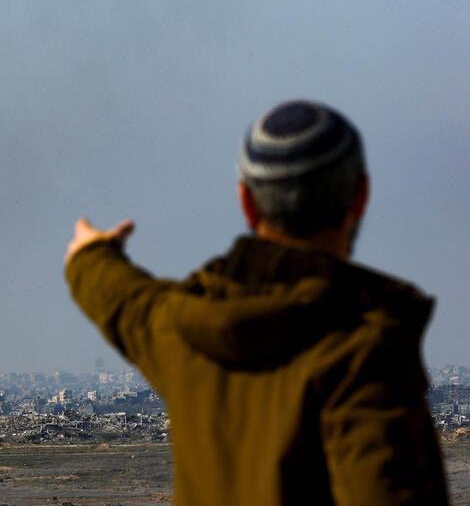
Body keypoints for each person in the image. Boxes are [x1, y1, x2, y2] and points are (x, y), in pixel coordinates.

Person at [64, 100, 448, 505]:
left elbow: (123, 299)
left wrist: (90, 254)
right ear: (361, 196)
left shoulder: (181, 327)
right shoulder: (362, 354)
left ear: (246, 201)